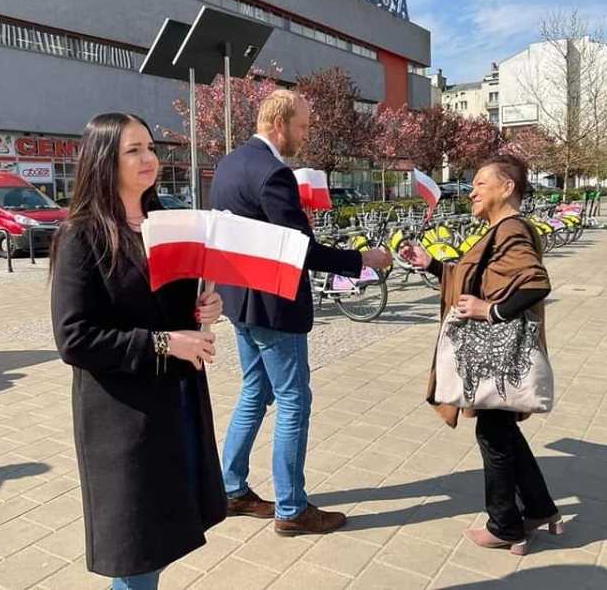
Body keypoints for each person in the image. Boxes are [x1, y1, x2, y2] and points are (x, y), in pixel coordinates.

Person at [49, 112, 227, 589]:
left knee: (163, 538)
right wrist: (165, 343)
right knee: (137, 552)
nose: (149, 158)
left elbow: (177, 306)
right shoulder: (82, 234)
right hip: (124, 416)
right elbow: (74, 338)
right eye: (134, 150)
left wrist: (207, 308)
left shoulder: (167, 222)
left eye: (150, 147)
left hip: (177, 402)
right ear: (104, 159)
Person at [210, 90, 393, 536]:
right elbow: (302, 250)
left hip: (240, 303)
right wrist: (363, 259)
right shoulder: (274, 173)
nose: (306, 136)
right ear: (280, 125)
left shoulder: (229, 165)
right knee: (294, 400)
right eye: (303, 127)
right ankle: (291, 509)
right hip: (274, 306)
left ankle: (231, 488)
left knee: (255, 392)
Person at [401, 153, 561, 556]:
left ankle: (505, 526)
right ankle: (539, 509)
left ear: (506, 188)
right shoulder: (502, 229)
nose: (471, 191)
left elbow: (536, 283)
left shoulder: (511, 230)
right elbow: (477, 276)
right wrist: (433, 264)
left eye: (480, 184)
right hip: (496, 356)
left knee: (494, 435)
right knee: (501, 432)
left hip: (497, 355)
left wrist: (491, 311)